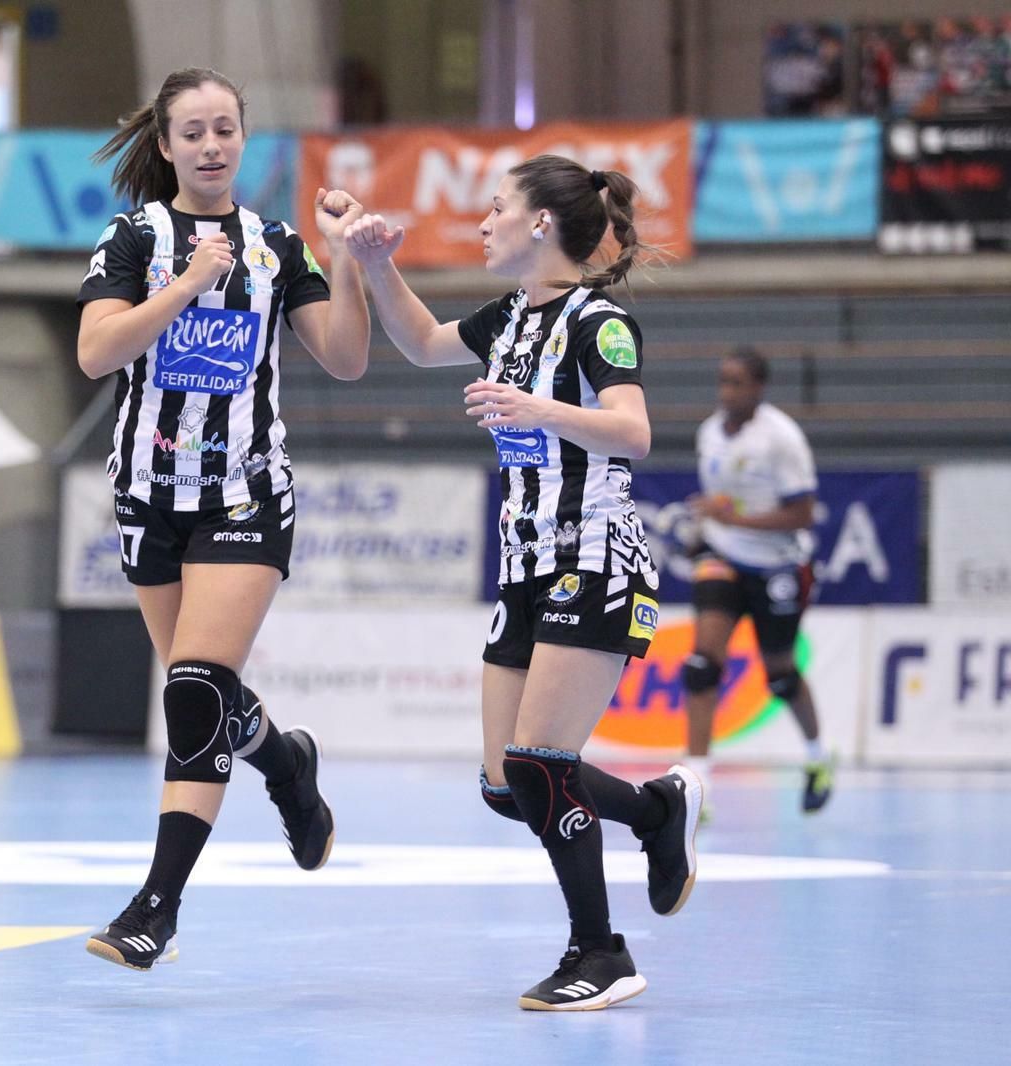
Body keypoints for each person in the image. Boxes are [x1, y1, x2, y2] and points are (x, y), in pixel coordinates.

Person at [343, 154, 700, 1012]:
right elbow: (422, 342)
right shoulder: (509, 318)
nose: (484, 219)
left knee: (542, 764)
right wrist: (373, 265)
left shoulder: (599, 323)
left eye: (497, 206)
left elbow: (635, 433)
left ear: (541, 223)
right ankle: (654, 814)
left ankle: (601, 952)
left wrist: (544, 411)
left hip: (596, 558)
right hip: (527, 566)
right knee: (507, 784)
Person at [75, 67, 371, 971]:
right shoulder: (132, 237)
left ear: (245, 141)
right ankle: (285, 765)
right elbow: (96, 355)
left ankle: (155, 908)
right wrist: (185, 287)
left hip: (244, 494)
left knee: (196, 688)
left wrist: (347, 255)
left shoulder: (278, 246)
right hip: (147, 496)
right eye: (193, 132)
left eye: (226, 131)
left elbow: (348, 359)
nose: (211, 146)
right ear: (165, 146)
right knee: (204, 694)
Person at [682, 346, 833, 815]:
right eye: (722, 381)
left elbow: (803, 515)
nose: (726, 391)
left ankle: (818, 757)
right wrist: (709, 525)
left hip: (779, 566)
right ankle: (696, 787)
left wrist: (735, 518)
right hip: (724, 556)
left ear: (758, 388)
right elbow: (720, 501)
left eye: (736, 383)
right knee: (702, 666)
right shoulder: (709, 432)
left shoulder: (781, 439)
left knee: (781, 677)